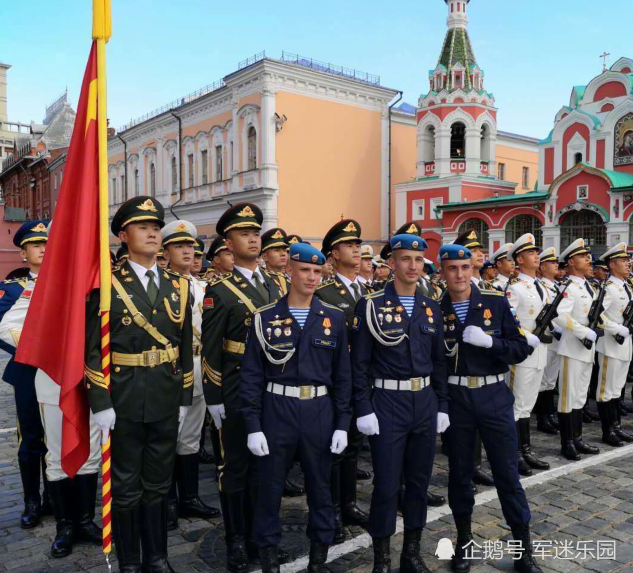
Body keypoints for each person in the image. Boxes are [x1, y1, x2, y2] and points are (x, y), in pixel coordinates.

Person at [85, 197, 194, 573]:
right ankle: (130, 561)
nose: (151, 232)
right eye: (142, 226)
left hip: (164, 394)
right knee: (127, 485)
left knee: (159, 483)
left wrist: (184, 398)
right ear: (122, 235)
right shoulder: (107, 284)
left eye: (155, 226)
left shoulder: (178, 285)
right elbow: (92, 350)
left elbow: (183, 347)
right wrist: (100, 401)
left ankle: (158, 557)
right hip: (124, 396)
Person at [240, 242, 352, 573]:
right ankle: (268, 557)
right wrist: (253, 425)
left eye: (318, 271)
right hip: (278, 410)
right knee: (269, 488)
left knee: (320, 487)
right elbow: (251, 376)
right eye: (305, 270)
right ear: (289, 270)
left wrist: (343, 423)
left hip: (319, 410)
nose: (312, 277)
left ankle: (319, 557)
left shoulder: (334, 318)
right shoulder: (265, 318)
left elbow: (342, 377)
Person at [439, 244, 541, 573]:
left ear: (473, 270)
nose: (458, 274)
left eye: (464, 267)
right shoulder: (433, 309)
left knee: (507, 474)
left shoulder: (494, 302)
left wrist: (490, 342)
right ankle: (464, 543)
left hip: (493, 397)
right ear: (442, 272)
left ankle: (523, 548)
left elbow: (520, 348)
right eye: (451, 268)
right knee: (460, 475)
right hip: (456, 402)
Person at [352, 234, 449, 573]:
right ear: (391, 263)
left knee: (419, 481)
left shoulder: (430, 306)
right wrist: (363, 408)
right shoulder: (371, 304)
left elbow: (440, 362)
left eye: (418, 260)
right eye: (405, 259)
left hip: (424, 401)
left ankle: (411, 553)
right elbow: (359, 364)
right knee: (387, 483)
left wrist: (443, 406)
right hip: (387, 401)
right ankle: (382, 558)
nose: (412, 266)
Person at [201, 203, 287, 572]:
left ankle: (262, 537)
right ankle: (236, 539)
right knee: (234, 468)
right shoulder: (218, 290)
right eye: (243, 234)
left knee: (267, 468)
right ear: (228, 242)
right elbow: (210, 349)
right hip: (236, 388)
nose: (253, 239)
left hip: (274, 389)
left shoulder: (276, 284)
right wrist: (214, 397)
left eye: (256, 233)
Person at [161, 221, 220, 530]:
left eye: (191, 247)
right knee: (169, 437)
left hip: (200, 367)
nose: (187, 252)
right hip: (172, 371)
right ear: (166, 251)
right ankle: (168, 502)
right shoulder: (161, 285)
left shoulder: (202, 287)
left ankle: (190, 498)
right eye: (179, 246)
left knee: (191, 438)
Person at [316, 219, 370, 541]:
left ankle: (349, 503)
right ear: (334, 254)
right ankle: (332, 510)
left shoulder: (368, 291)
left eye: (358, 243)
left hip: (361, 380)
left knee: (352, 447)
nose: (356, 248)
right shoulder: (324, 293)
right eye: (349, 244)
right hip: (336, 380)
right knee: (333, 450)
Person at [0, 221, 52, 530]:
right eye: (36, 245)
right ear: (23, 253)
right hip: (28, 372)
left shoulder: (64, 284)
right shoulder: (13, 289)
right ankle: (32, 500)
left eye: (46, 244)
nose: (44, 249)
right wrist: (33, 348)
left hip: (59, 372)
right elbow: (3, 328)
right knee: (31, 438)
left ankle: (54, 498)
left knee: (57, 436)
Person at [452, 230, 494, 489]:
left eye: (479, 249)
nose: (480, 253)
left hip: (487, 365)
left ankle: (477, 464)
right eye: (472, 250)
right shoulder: (454, 288)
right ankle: (468, 466)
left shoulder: (488, 288)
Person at [551, 239, 601, 461]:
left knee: (580, 397)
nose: (588, 259)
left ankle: (578, 439)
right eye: (583, 256)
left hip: (586, 350)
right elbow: (560, 315)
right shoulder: (569, 287)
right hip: (572, 348)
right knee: (568, 398)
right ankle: (567, 442)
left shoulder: (587, 286)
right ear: (571, 262)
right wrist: (583, 332)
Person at [505, 235, 550, 476]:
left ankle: (526, 450)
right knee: (517, 405)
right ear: (520, 259)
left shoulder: (540, 285)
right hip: (522, 354)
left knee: (527, 406)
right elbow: (510, 321)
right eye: (531, 253)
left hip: (539, 353)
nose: (537, 255)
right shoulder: (515, 288)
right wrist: (526, 335)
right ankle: (515, 454)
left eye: (536, 252)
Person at [595, 243, 633, 446]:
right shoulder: (608, 288)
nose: (628, 264)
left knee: (618, 389)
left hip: (624, 345)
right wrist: (615, 328)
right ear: (612, 264)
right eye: (624, 261)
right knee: (606, 391)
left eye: (628, 261)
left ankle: (617, 427)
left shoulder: (626, 286)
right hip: (610, 344)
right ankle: (607, 430)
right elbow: (596, 316)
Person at [534, 248, 561, 435]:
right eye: (552, 263)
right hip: (545, 339)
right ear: (542, 267)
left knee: (551, 380)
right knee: (543, 381)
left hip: (557, 341)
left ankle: (550, 413)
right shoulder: (541, 286)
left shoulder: (555, 286)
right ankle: (543, 417)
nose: (556, 265)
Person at [260, 228, 290, 294]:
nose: (283, 254)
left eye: (284, 250)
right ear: (265, 257)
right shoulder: (261, 281)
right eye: (277, 250)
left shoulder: (291, 282)